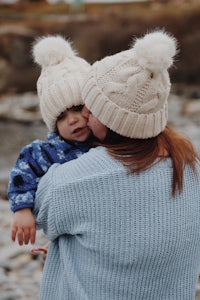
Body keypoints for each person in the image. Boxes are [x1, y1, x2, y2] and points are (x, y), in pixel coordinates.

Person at [33, 30, 200, 300]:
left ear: (114, 120)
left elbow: (41, 215)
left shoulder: (69, 181)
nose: (84, 113)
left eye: (92, 107)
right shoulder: (189, 167)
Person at [7, 35, 92, 247]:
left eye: (76, 108)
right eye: (61, 117)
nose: (72, 120)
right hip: (69, 227)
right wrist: (22, 209)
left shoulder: (110, 139)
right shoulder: (49, 151)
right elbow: (21, 173)